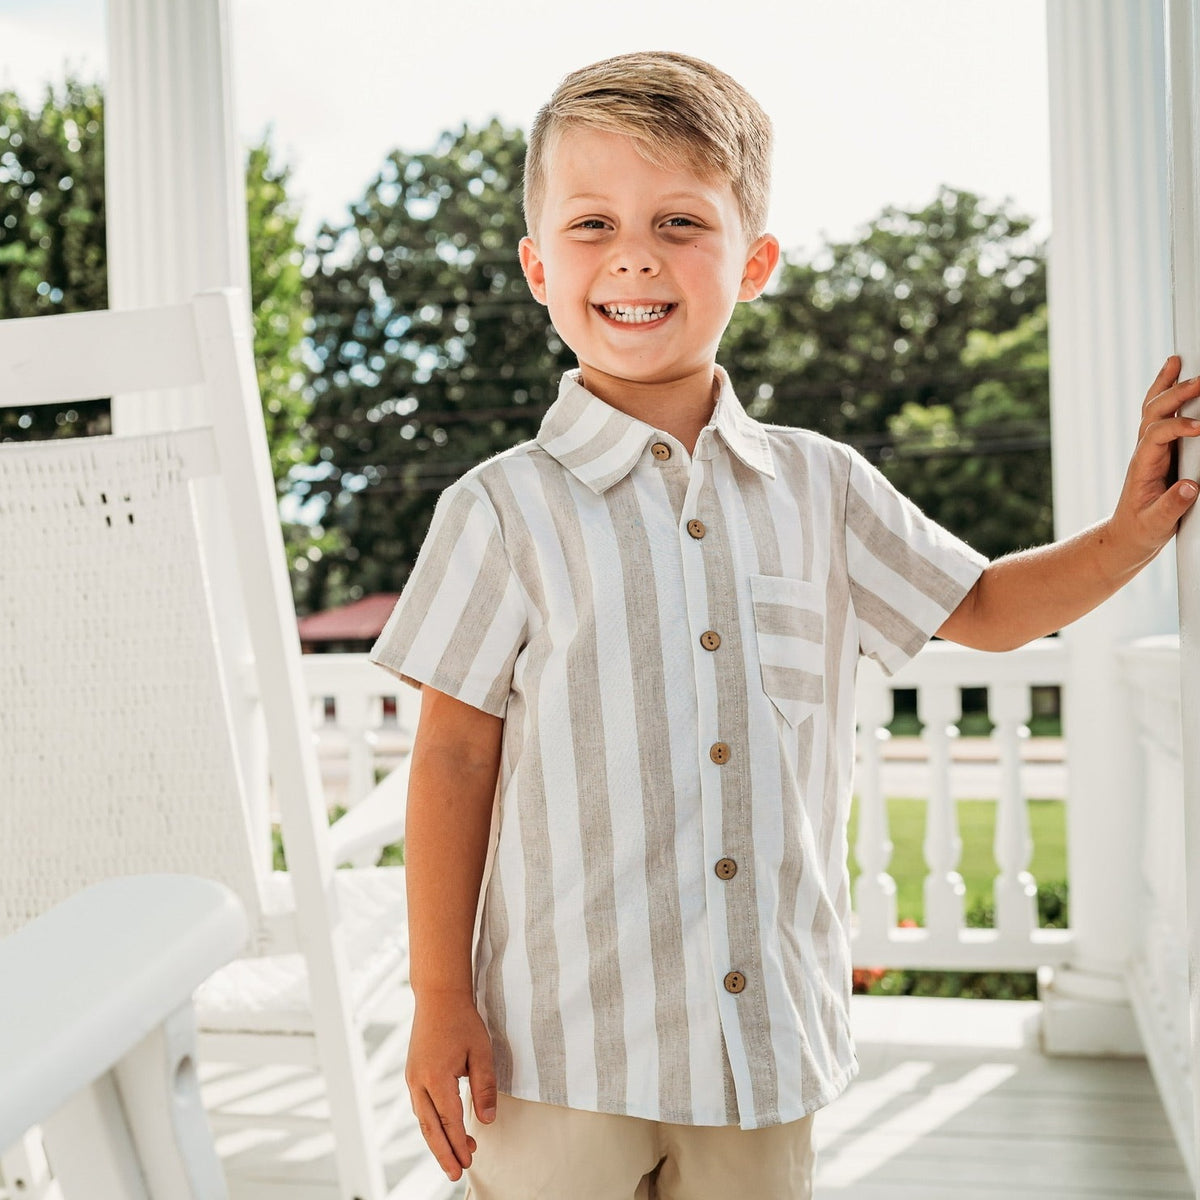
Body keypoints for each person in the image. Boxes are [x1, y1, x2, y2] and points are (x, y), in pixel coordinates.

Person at [370, 50, 1200, 1200]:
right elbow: (455, 754)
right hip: (557, 1047)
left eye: (679, 220)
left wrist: (1129, 535)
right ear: (536, 267)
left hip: (761, 1048)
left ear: (753, 261)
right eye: (593, 224)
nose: (635, 256)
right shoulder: (500, 511)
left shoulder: (825, 487)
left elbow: (989, 609)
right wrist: (440, 997)